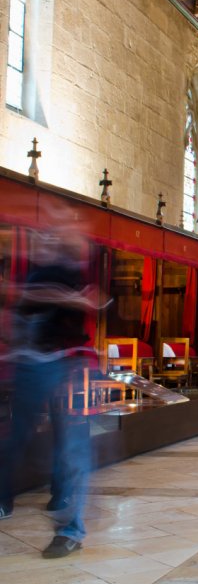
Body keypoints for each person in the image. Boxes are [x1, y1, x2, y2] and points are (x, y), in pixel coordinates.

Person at [0, 230, 99, 558]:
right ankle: (6, 498)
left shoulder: (71, 273)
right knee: (17, 439)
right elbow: (21, 318)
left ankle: (70, 528)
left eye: (50, 241)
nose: (44, 245)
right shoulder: (33, 275)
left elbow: (90, 302)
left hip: (68, 366)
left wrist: (59, 296)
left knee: (72, 448)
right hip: (33, 366)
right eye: (40, 241)